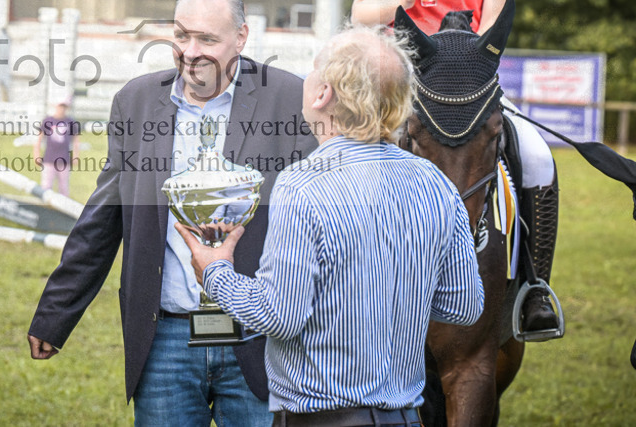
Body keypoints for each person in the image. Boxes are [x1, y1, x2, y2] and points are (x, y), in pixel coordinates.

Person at [28, 0, 317, 426]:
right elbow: (106, 215)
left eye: (207, 39)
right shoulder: (137, 101)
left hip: (262, 338)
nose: (190, 51)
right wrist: (55, 313)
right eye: (181, 35)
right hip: (165, 339)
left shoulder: (290, 98)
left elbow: (320, 215)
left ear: (241, 37)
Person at [179, 25, 485, 426]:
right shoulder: (437, 185)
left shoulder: (302, 184)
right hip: (405, 418)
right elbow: (463, 305)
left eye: (312, 71)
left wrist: (214, 271)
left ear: (323, 94)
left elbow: (278, 315)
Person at [350, 0, 560, 335]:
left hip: (466, 82)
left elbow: (494, 31)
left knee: (534, 154)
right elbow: (361, 11)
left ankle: (533, 290)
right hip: (399, 81)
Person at [33, 99, 79, 196]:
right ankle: (45, 207)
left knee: (63, 186)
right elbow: (39, 139)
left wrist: (75, 156)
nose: (61, 109)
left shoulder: (70, 122)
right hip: (49, 158)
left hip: (64, 159)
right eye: (60, 107)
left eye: (64, 107)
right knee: (46, 185)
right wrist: (36, 154)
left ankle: (63, 207)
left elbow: (76, 141)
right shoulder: (48, 121)